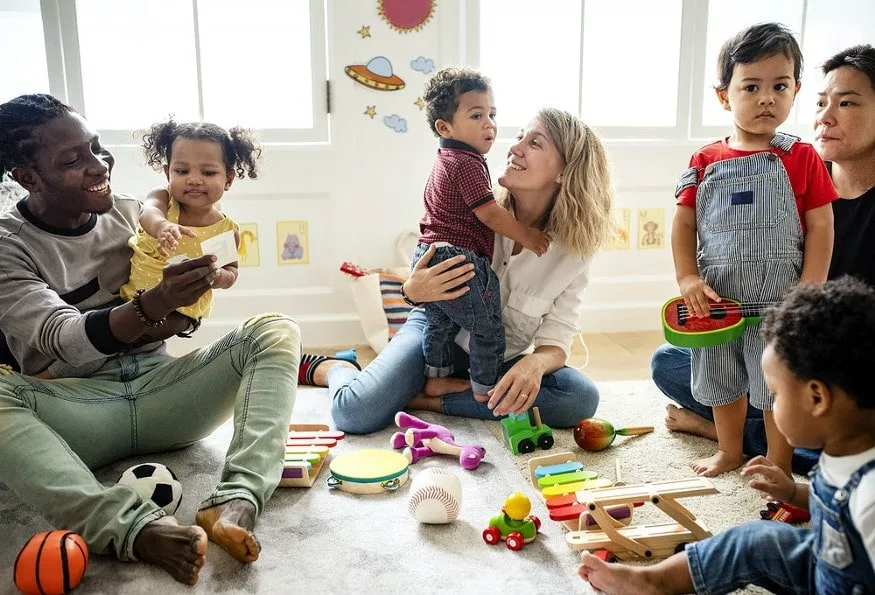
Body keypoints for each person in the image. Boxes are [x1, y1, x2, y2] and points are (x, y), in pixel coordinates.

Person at [0, 94, 300, 584]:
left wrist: (194, 297)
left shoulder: (131, 214)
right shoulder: (7, 245)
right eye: (74, 160)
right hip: (77, 408)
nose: (100, 166)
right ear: (27, 177)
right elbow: (64, 339)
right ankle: (132, 529)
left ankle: (237, 499)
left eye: (97, 147)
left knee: (274, 329)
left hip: (162, 390)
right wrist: (156, 305)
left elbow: (190, 312)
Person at [308, 107, 614, 433]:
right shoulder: (472, 207)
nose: (514, 148)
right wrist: (413, 291)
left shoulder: (575, 249)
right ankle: (335, 368)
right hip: (436, 334)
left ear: (565, 172)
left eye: (535, 143)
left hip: (499, 358)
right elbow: (416, 279)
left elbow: (558, 336)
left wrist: (535, 364)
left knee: (578, 397)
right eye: (519, 137)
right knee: (355, 412)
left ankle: (430, 401)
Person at [652, 43, 875, 477]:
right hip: (735, 316)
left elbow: (821, 234)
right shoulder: (711, 161)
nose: (825, 116)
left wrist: (806, 298)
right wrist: (689, 278)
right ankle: (740, 443)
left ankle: (772, 450)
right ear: (725, 95)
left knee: (783, 392)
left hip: (827, 354)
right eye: (822, 102)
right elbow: (685, 224)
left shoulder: (799, 160)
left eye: (846, 103)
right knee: (675, 363)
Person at [579, 277, 875, 594]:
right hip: (823, 561)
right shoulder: (842, 449)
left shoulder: (869, 497)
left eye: (774, 395)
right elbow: (827, 502)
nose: (769, 406)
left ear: (816, 399)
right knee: (754, 539)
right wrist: (791, 492)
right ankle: (654, 581)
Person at [413, 66, 551, 403]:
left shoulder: (447, 157)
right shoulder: (466, 161)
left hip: (430, 252)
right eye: (476, 115)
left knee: (440, 324)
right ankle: (485, 389)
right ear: (444, 127)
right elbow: (488, 213)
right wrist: (528, 236)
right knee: (488, 326)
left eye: (491, 114)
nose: (489, 123)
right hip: (454, 256)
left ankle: (437, 378)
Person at [120, 118, 259, 325]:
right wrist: (162, 226)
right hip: (137, 301)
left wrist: (219, 276)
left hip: (183, 313)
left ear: (228, 179)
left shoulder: (225, 231)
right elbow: (147, 213)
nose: (194, 179)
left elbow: (232, 270)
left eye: (208, 172)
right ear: (168, 173)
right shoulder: (163, 199)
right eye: (182, 171)